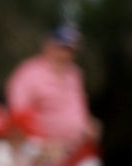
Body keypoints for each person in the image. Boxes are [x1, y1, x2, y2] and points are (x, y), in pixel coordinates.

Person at [5, 24, 96, 156]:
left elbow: (78, 108)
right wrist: (41, 145)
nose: (67, 54)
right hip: (42, 153)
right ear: (49, 45)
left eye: (71, 50)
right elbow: (17, 115)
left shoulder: (74, 73)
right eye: (63, 48)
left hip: (76, 150)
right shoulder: (28, 72)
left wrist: (87, 125)